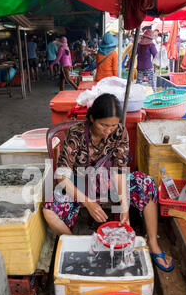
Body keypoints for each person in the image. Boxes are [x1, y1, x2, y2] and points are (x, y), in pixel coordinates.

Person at [43, 93, 174, 272]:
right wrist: (87, 202)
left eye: (113, 125)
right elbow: (62, 176)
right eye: (103, 124)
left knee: (147, 183)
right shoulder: (77, 133)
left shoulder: (120, 132)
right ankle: (79, 246)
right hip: (80, 183)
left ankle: (153, 243)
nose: (108, 130)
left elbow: (119, 171)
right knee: (49, 211)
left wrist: (124, 207)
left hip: (109, 181)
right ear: (91, 118)